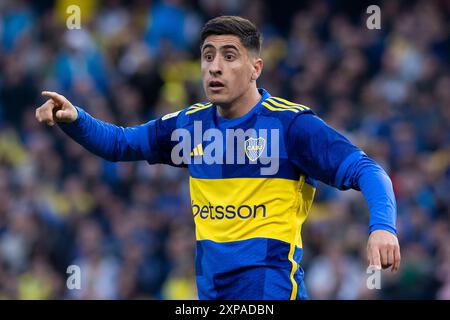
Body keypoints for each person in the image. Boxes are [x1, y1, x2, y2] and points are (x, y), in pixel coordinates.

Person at [35, 15, 400, 300]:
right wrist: (76, 119)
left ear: (256, 68)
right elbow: (120, 145)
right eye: (208, 56)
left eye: (229, 57)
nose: (214, 67)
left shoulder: (291, 125)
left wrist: (382, 227)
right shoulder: (189, 126)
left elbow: (367, 169)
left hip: (271, 291)